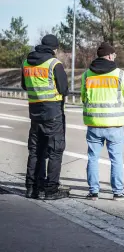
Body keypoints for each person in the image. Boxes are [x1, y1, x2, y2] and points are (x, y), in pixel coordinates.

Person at [81, 42, 124, 201]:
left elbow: (83, 97)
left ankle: (93, 192)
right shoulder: (120, 74)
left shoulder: (87, 75)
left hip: (94, 122)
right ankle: (118, 192)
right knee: (116, 158)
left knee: (92, 157)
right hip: (114, 123)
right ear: (110, 56)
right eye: (114, 54)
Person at [22, 34, 70, 200]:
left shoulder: (27, 63)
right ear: (54, 49)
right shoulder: (54, 63)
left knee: (35, 150)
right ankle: (51, 189)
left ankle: (32, 187)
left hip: (34, 113)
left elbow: (24, 85)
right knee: (55, 150)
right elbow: (64, 89)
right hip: (53, 113)